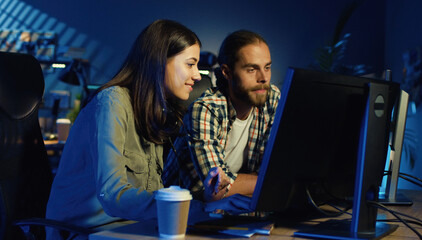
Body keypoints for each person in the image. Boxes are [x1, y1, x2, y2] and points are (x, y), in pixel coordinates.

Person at [45, 19, 230, 238]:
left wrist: (205, 198)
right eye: (190, 64)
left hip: (130, 227)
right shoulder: (111, 103)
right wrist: (195, 210)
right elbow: (113, 195)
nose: (198, 75)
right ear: (160, 61)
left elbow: (150, 194)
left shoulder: (154, 111)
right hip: (82, 232)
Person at [163, 30, 281, 202]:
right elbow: (217, 188)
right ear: (227, 72)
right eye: (251, 69)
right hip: (183, 213)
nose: (263, 78)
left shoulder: (271, 98)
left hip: (237, 208)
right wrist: (269, 181)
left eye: (267, 67)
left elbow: (276, 168)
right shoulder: (205, 109)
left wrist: (263, 180)